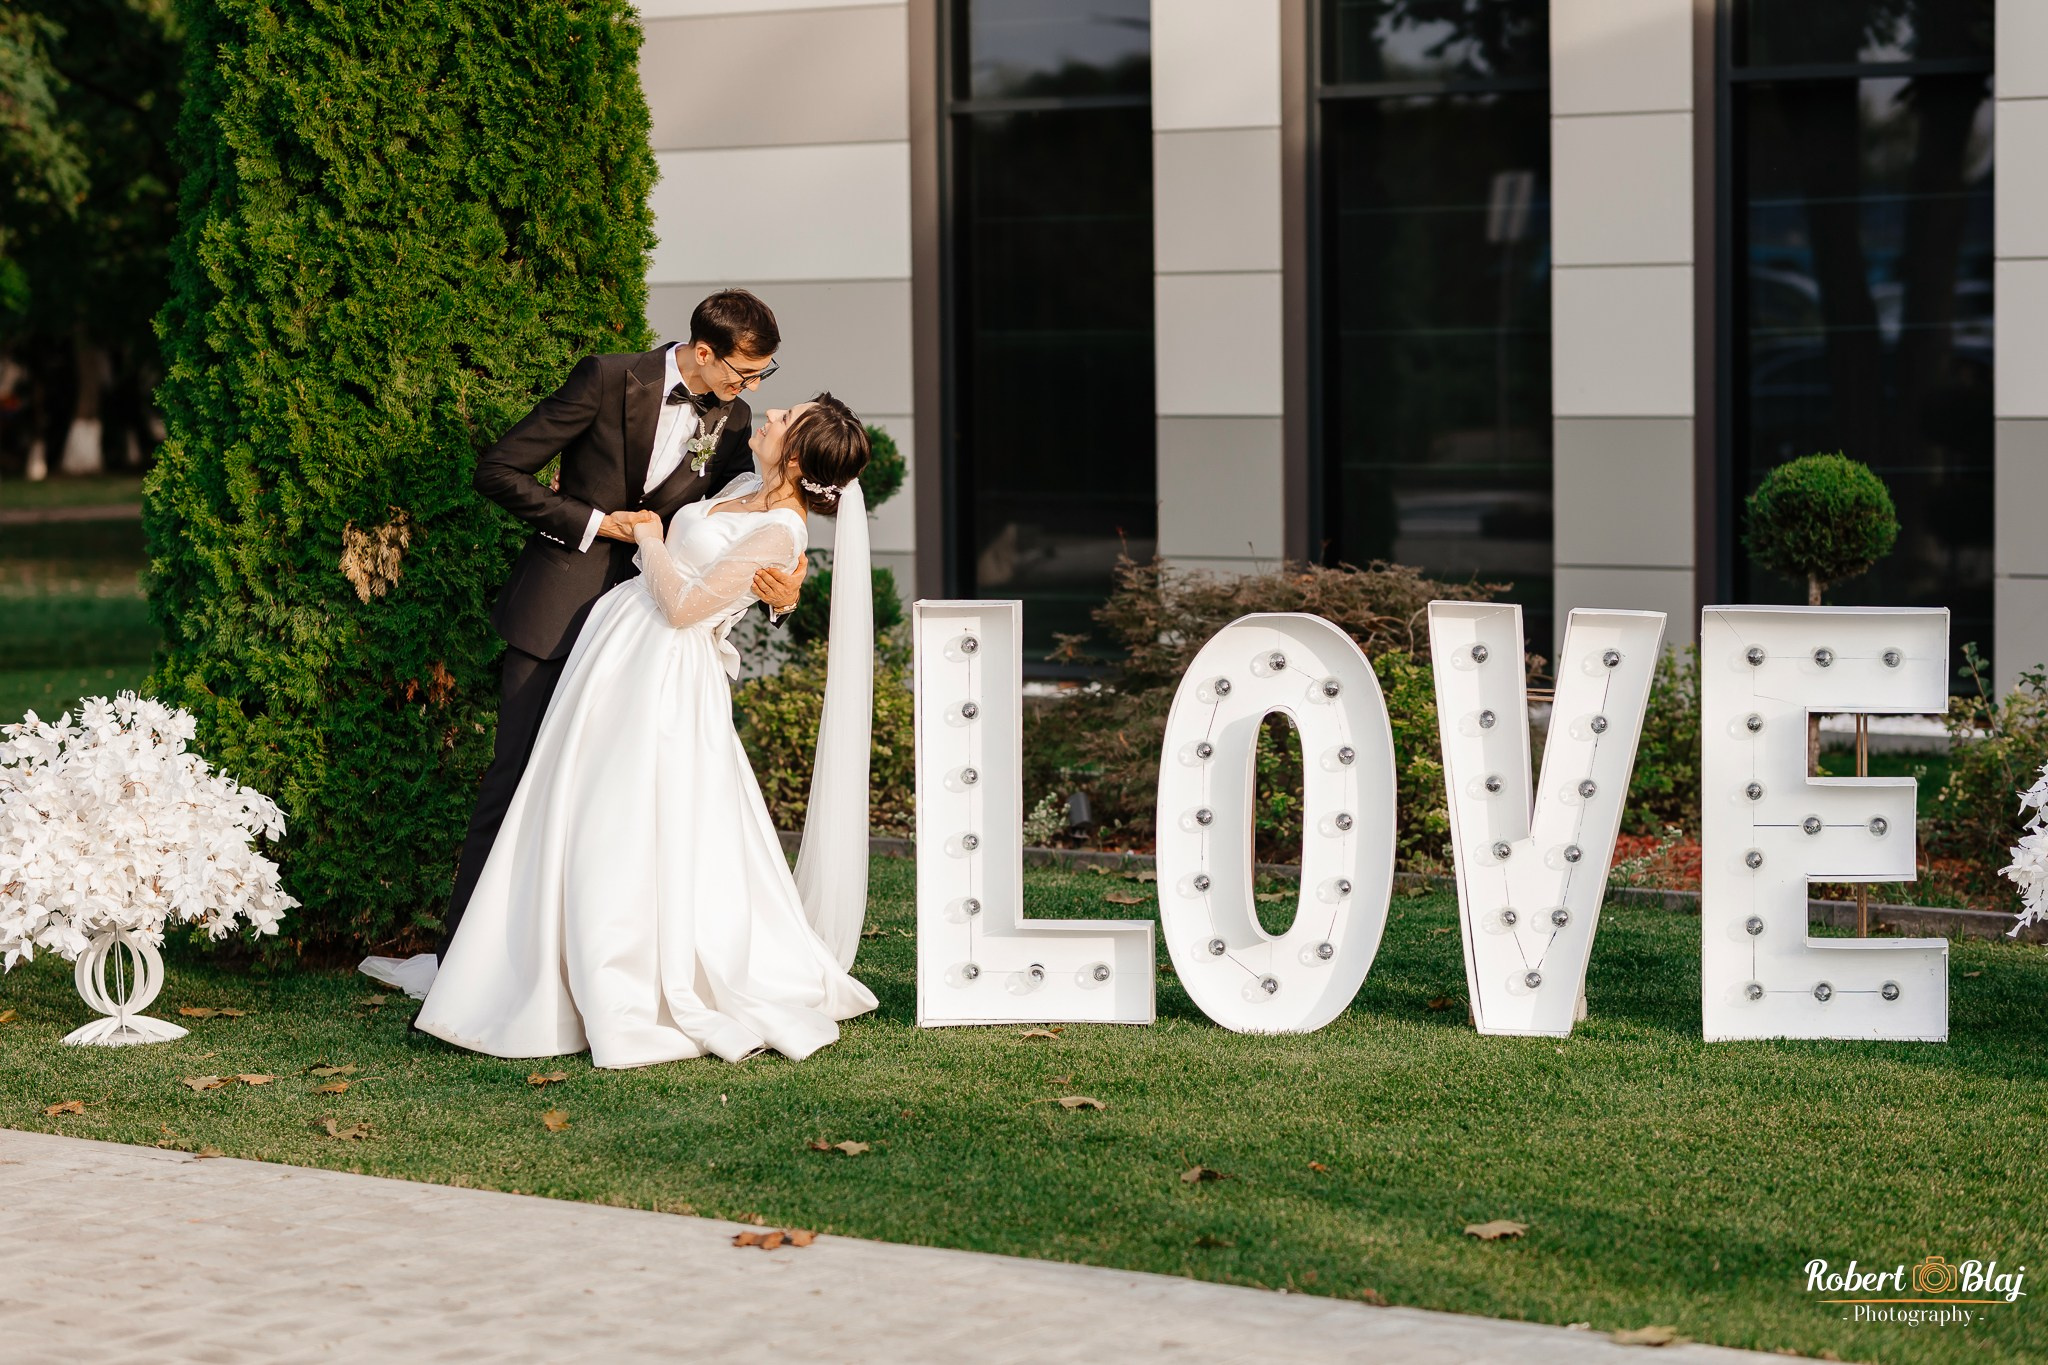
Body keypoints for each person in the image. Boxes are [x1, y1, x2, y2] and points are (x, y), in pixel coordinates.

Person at [359, 290, 802, 999]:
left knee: (609, 812)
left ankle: (579, 972)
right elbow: (499, 469)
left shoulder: (737, 419)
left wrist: (783, 592)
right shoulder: (606, 378)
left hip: (647, 646)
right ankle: (456, 967)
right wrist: (599, 522)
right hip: (558, 615)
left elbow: (732, 528)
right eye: (745, 373)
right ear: (705, 350)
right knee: (512, 787)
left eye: (761, 378)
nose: (750, 389)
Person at [411, 395, 878, 1066]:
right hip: (622, 649)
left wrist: (654, 538)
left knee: (622, 816)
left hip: (663, 676)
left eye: (784, 418)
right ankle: (542, 958)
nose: (770, 412)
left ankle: (613, 969)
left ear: (797, 457)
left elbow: (688, 606)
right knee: (573, 803)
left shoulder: (781, 532)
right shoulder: (747, 484)